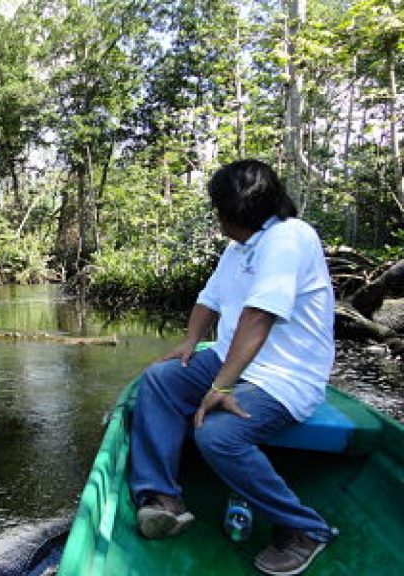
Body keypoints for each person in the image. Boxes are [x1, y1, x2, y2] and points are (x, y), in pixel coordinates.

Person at [128, 159, 336, 575]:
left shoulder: (290, 238)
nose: (217, 217)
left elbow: (259, 316)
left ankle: (304, 529)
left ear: (234, 212)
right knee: (161, 379)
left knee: (217, 435)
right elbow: (209, 299)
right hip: (229, 358)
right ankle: (162, 498)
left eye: (218, 209)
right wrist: (191, 341)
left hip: (283, 376)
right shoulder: (239, 247)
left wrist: (221, 386)